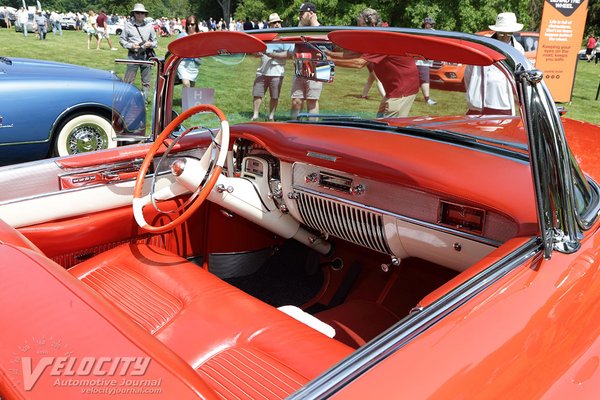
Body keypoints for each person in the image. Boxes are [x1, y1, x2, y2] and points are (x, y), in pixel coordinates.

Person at [326, 8, 420, 118]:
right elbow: (357, 54)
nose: (359, 30)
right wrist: (329, 54)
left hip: (402, 90)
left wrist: (330, 61)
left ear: (373, 24)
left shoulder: (383, 39)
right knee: (381, 118)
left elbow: (359, 63)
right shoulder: (379, 35)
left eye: (361, 26)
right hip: (395, 88)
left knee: (389, 126)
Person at [464, 12, 525, 115]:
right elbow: (468, 74)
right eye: (502, 33)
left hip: (505, 105)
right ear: (496, 31)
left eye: (509, 33)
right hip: (479, 106)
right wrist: (473, 92)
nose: (505, 36)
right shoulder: (481, 47)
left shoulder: (518, 50)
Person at [251, 13, 292, 121]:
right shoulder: (263, 36)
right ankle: (255, 115)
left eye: (279, 22)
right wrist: (257, 53)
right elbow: (254, 52)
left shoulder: (285, 37)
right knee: (257, 94)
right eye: (274, 23)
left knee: (274, 96)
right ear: (270, 25)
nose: (277, 24)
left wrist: (272, 54)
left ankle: (271, 116)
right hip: (262, 71)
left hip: (277, 72)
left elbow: (289, 55)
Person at [120, 3, 158, 103]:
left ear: (145, 14)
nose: (140, 14)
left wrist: (150, 44)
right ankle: (126, 101)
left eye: (142, 13)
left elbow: (155, 42)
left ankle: (144, 102)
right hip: (133, 56)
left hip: (146, 56)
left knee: (146, 82)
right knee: (128, 81)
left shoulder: (149, 26)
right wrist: (131, 46)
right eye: (137, 12)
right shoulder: (128, 26)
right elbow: (122, 40)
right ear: (134, 14)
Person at [291, 2, 322, 119]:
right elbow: (296, 47)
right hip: (300, 67)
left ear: (311, 13)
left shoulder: (322, 31)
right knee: (296, 101)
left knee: (312, 102)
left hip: (316, 69)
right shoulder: (301, 30)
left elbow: (325, 53)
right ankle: (293, 127)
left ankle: (312, 130)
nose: (300, 16)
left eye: (302, 13)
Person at [356, 8, 386, 100]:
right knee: (378, 79)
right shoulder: (369, 32)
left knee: (371, 78)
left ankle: (364, 95)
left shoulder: (375, 31)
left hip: (373, 58)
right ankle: (385, 97)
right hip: (371, 59)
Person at [176, 15, 201, 87]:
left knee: (192, 86)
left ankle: (187, 98)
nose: (190, 26)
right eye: (188, 24)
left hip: (194, 64)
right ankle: (186, 98)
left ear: (196, 25)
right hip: (182, 63)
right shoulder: (182, 35)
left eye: (192, 24)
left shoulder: (200, 36)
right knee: (186, 83)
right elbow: (176, 48)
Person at [416, 17, 437, 105]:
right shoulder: (425, 33)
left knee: (422, 80)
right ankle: (427, 99)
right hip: (422, 61)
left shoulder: (431, 32)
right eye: (429, 24)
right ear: (425, 24)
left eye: (431, 24)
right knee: (424, 80)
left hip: (424, 61)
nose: (431, 25)